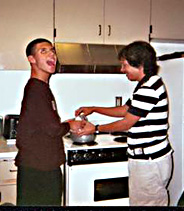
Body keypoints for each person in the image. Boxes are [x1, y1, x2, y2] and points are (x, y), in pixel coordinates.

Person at [75, 41, 174, 206]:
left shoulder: (148, 89)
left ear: (139, 65)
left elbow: (126, 123)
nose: (122, 70)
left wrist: (97, 128)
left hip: (149, 162)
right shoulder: (147, 83)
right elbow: (125, 109)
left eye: (125, 65)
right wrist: (94, 109)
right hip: (149, 159)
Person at [15, 38, 81, 206]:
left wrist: (63, 124)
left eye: (52, 50)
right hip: (39, 170)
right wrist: (70, 125)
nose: (51, 54)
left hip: (40, 165)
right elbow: (52, 129)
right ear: (32, 59)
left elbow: (45, 124)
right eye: (43, 51)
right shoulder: (36, 89)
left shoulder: (40, 87)